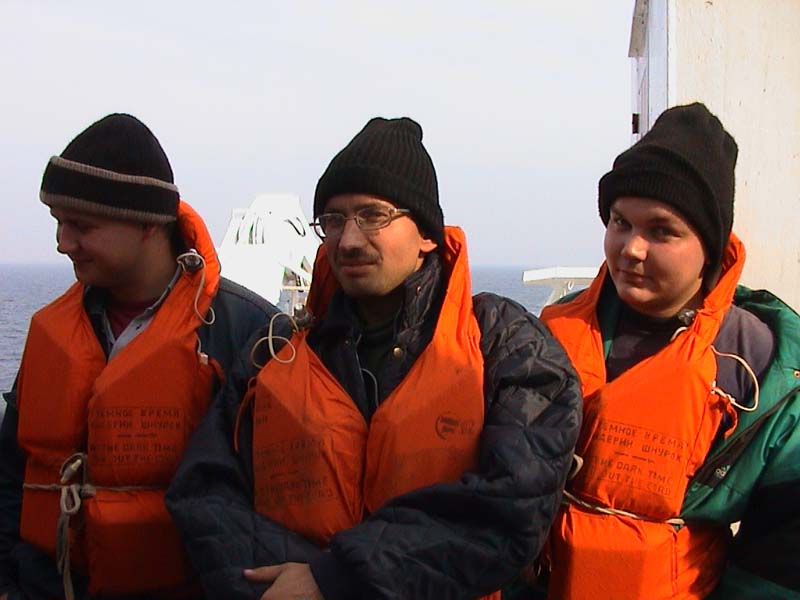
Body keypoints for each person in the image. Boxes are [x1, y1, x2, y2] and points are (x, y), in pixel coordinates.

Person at [165, 116, 583, 599]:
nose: (348, 240)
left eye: (373, 216)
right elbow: (205, 493)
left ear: (427, 234)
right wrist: (292, 582)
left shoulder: (507, 345)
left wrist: (335, 579)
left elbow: (513, 506)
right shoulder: (274, 352)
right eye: (333, 220)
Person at [0, 114, 276, 600]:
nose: (62, 243)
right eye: (59, 223)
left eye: (82, 226)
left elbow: (273, 503)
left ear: (149, 223)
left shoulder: (248, 334)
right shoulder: (53, 330)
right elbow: (10, 469)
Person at [538, 103, 800, 599]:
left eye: (661, 231)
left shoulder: (757, 367)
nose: (631, 249)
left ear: (710, 247)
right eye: (620, 222)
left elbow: (784, 549)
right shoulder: (551, 335)